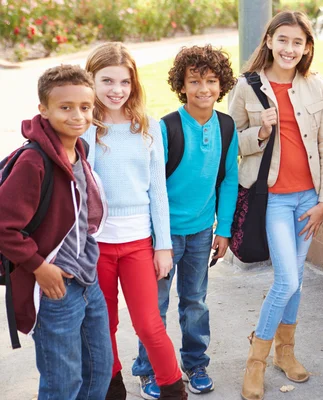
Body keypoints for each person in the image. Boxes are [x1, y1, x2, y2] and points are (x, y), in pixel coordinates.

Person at [228, 10, 323, 400]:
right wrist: (260, 130)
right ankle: (255, 361)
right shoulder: (247, 86)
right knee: (286, 279)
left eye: (298, 42)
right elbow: (232, 142)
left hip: (309, 198)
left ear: (307, 47)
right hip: (272, 198)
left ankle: (284, 353)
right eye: (283, 40)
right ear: (270, 41)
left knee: (297, 281)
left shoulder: (315, 86)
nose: (290, 48)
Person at [131, 44, 238, 397]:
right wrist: (157, 238)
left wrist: (222, 230)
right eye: (194, 81)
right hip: (163, 236)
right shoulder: (167, 127)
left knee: (195, 302)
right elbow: (153, 186)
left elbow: (229, 179)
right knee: (155, 306)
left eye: (211, 80)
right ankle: (149, 369)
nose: (203, 89)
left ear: (221, 85)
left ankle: (195, 363)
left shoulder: (226, 125)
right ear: (182, 85)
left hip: (200, 234)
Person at [0, 64, 112, 399]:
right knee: (63, 385)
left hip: (86, 279)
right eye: (65, 107)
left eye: (85, 107)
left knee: (98, 371)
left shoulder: (78, 149)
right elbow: (4, 226)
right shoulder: (33, 162)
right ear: (44, 110)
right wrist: (40, 267)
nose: (78, 116)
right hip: (54, 288)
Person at [83, 42, 187, 400]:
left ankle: (174, 389)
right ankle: (112, 387)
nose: (116, 89)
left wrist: (163, 246)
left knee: (148, 324)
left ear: (134, 84)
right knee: (102, 324)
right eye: (106, 80)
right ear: (91, 81)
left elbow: (158, 191)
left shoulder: (148, 127)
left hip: (138, 244)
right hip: (94, 246)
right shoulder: (85, 129)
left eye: (124, 81)